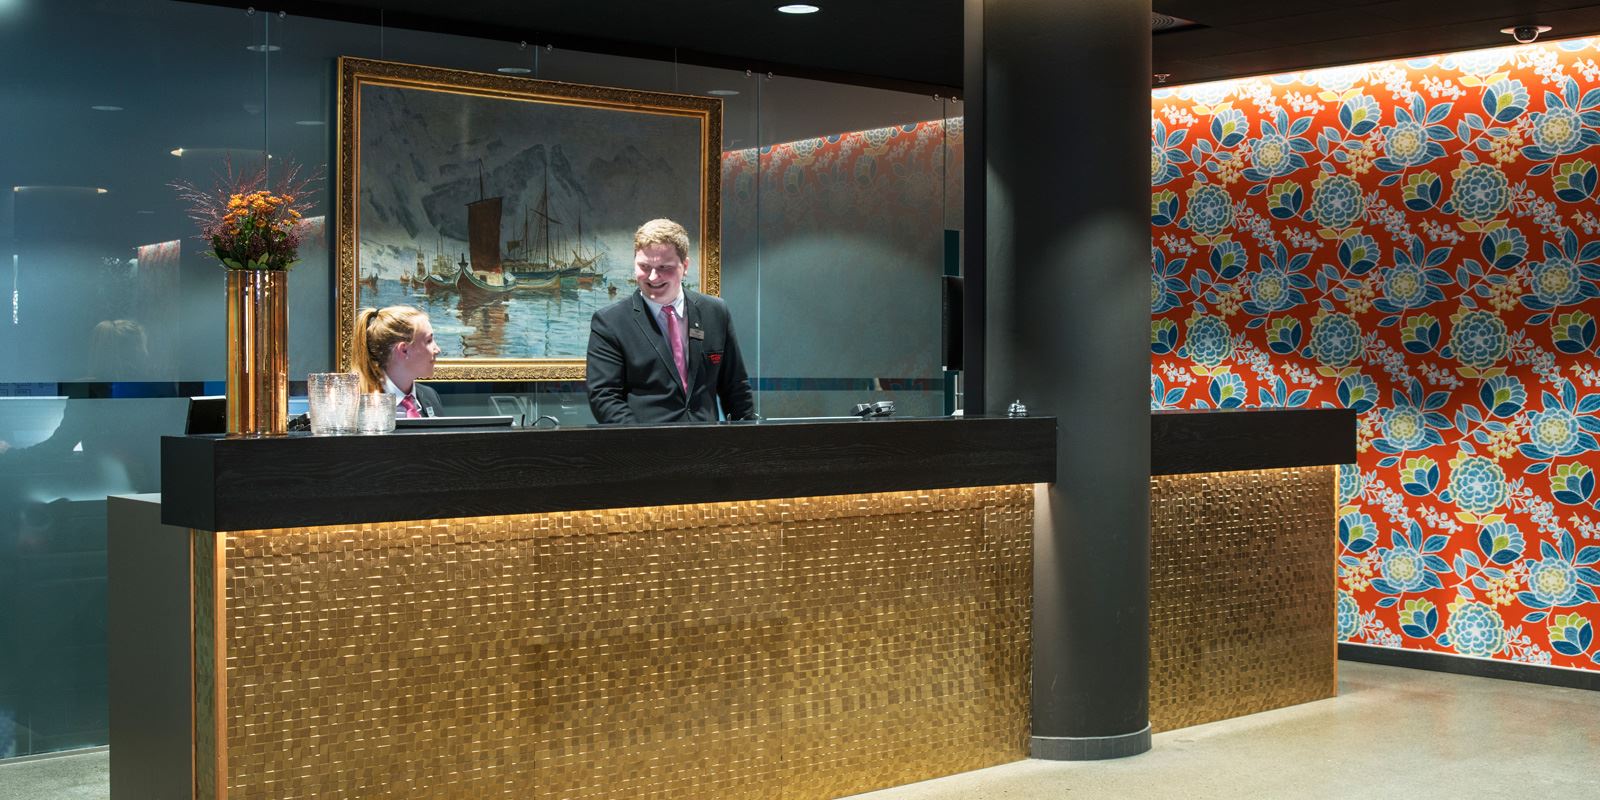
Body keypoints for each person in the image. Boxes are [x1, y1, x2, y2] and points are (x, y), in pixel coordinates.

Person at [586, 218, 755, 424]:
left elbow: (736, 387)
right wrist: (641, 439)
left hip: (708, 441)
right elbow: (604, 397)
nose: (653, 277)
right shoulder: (610, 322)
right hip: (643, 441)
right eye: (644, 266)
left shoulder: (715, 312)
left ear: (685, 266)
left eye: (664, 267)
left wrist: (747, 438)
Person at [352, 305, 443, 418]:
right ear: (404, 350)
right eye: (429, 341)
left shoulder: (430, 396)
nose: (437, 350)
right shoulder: (357, 406)